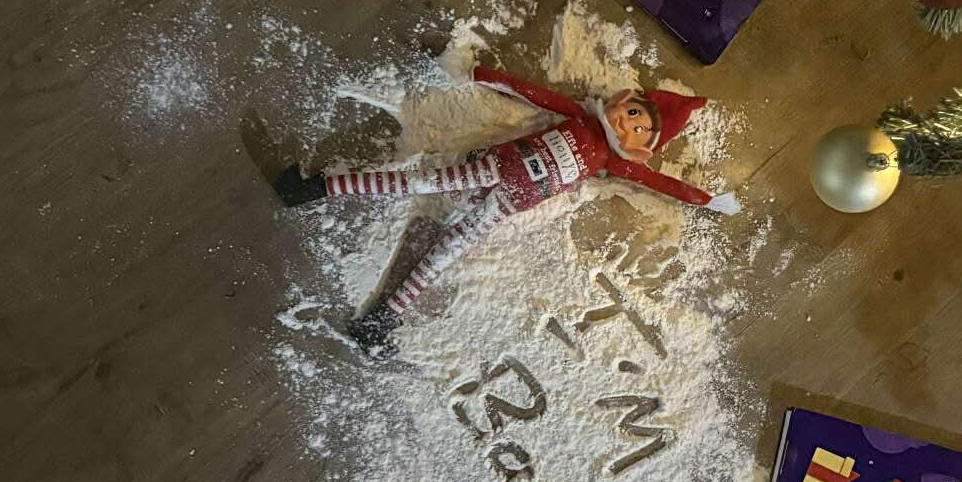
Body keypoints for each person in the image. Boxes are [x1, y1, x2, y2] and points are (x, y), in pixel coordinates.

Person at [271, 65, 738, 352]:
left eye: (639, 129)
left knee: (448, 251)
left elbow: (660, 183)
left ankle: (385, 317)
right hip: (492, 167)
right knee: (414, 181)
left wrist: (705, 199)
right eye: (634, 113)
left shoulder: (612, 163)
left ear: (640, 148)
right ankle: (316, 188)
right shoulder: (579, 116)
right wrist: (479, 72)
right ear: (624, 102)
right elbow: (531, 93)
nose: (627, 123)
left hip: (511, 201)